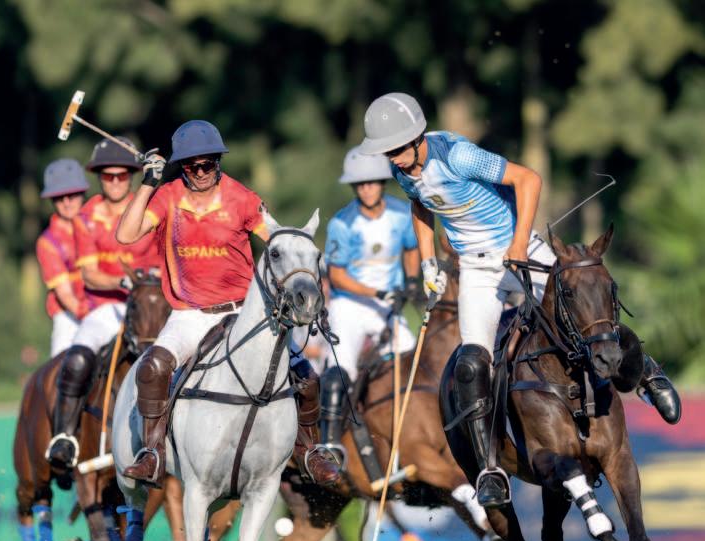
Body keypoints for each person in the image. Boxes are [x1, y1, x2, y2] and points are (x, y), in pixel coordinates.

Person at [359, 92, 681, 507]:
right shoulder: (403, 170)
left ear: (417, 137)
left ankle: (647, 373)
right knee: (471, 364)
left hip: (520, 250)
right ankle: (490, 469)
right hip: (476, 270)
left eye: (397, 149)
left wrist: (517, 243)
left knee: (584, 309)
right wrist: (427, 263)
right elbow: (420, 207)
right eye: (387, 153)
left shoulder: (458, 156)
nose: (393, 159)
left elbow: (528, 179)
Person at [114, 120, 340, 489]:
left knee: (306, 376)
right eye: (192, 167)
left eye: (208, 164)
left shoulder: (242, 198)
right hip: (189, 315)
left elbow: (278, 243)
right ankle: (153, 452)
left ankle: (309, 450)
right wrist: (148, 184)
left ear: (218, 162)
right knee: (152, 368)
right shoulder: (168, 197)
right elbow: (125, 234)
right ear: (182, 168)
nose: (201, 172)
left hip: (242, 313)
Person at [45, 138, 160, 470]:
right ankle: (64, 437)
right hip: (108, 307)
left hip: (152, 305)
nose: (115, 182)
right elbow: (90, 275)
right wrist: (122, 281)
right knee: (77, 358)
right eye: (108, 176)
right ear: (99, 178)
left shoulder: (150, 209)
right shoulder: (86, 217)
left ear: (132, 176)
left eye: (122, 175)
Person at [320, 147, 419, 459]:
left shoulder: (401, 213)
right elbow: (337, 276)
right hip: (349, 306)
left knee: (414, 362)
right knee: (339, 372)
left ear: (382, 183)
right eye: (359, 184)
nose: (366, 189)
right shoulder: (342, 223)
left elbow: (412, 248)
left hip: (388, 307)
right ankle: (330, 446)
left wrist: (412, 280)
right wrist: (376, 293)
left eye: (372, 182)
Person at [36, 159, 90, 356]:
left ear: (82, 193)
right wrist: (90, 317)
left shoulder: (98, 224)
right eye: (59, 197)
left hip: (105, 306)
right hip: (70, 317)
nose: (67, 202)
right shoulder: (47, 242)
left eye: (72, 195)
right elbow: (65, 295)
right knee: (64, 367)